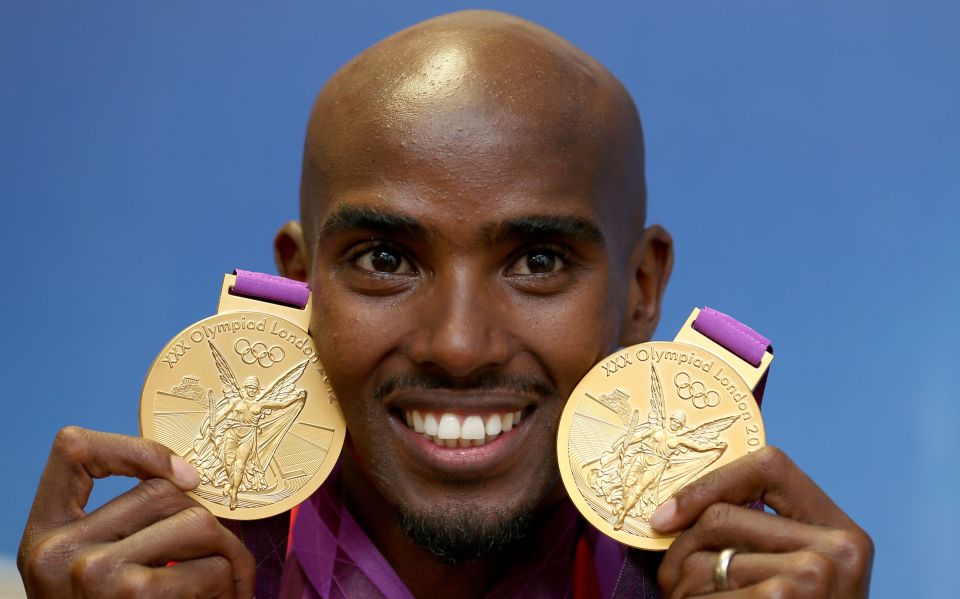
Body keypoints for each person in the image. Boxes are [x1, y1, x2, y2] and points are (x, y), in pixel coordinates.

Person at [17, 10, 873, 598]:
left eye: (538, 261)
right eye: (386, 258)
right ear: (301, 283)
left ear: (640, 288)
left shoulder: (764, 583)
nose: (459, 346)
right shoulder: (116, 582)